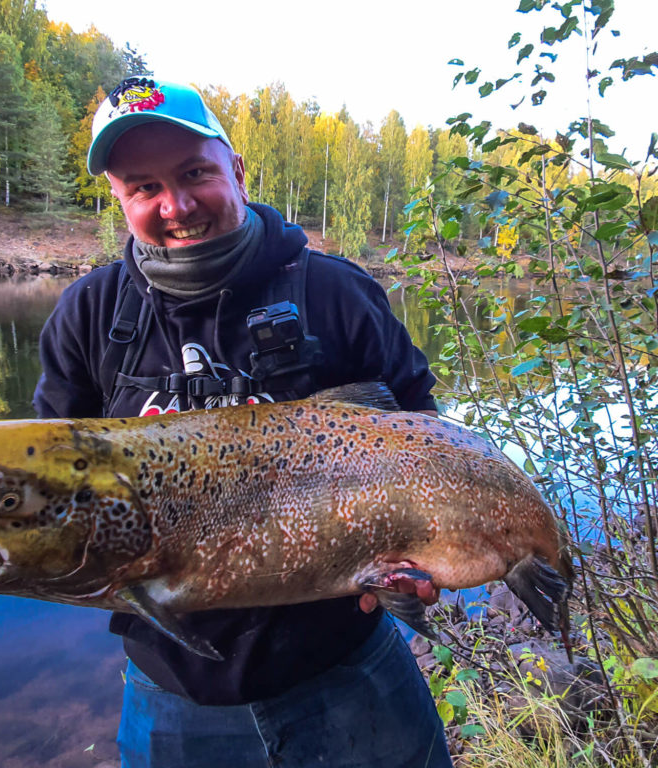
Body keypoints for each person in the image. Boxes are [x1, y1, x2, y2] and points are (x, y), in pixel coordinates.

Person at [33, 77, 452, 768]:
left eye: (195, 172)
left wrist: (422, 550)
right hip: (173, 690)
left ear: (236, 168)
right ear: (118, 198)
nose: (177, 205)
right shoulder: (88, 316)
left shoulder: (335, 292)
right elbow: (53, 481)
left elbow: (423, 438)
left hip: (348, 671)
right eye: (144, 188)